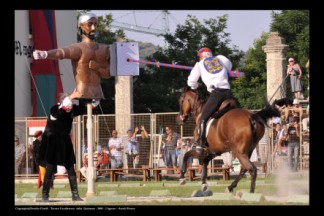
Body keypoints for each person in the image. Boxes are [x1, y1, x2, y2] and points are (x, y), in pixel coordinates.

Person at [38, 90, 99, 202]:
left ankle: (75, 195)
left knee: (70, 168)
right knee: (50, 168)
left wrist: (94, 95)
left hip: (65, 141)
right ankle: (45, 195)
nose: (71, 108)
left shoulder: (71, 109)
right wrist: (72, 96)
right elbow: (62, 109)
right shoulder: (55, 109)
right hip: (52, 141)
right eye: (69, 105)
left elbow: (90, 107)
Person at [33, 12, 110, 99]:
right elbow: (62, 52)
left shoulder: (103, 49)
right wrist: (45, 54)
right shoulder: (79, 48)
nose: (93, 28)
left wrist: (97, 68)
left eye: (95, 24)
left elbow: (108, 73)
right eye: (90, 24)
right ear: (81, 26)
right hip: (82, 92)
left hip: (98, 92)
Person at [187, 47, 233, 153]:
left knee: (203, 118)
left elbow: (190, 82)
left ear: (200, 56)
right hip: (228, 92)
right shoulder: (220, 58)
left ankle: (201, 143)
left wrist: (196, 85)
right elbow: (229, 66)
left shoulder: (199, 65)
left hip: (216, 94)